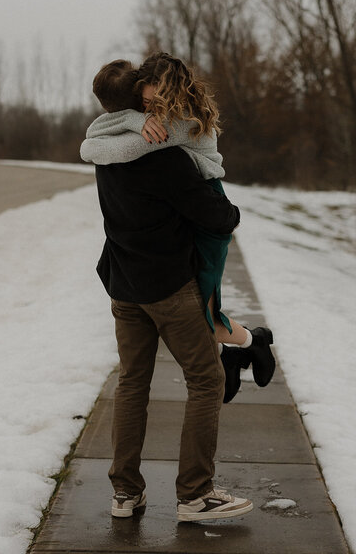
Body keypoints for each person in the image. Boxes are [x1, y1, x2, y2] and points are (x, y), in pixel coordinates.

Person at [80, 56, 254, 522]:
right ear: (140, 99)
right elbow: (216, 217)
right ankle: (195, 495)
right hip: (169, 289)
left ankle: (125, 494)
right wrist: (234, 213)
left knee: (132, 383)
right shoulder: (166, 156)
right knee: (207, 380)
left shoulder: (106, 150)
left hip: (124, 286)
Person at [80, 53, 275, 403]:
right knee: (202, 320)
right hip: (183, 210)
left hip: (207, 206)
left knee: (204, 319)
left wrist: (136, 125)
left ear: (174, 96)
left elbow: (93, 146)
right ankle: (239, 351)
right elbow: (93, 143)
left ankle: (252, 343)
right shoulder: (148, 124)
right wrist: (136, 120)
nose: (149, 111)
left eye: (154, 103)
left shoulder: (183, 125)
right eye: (143, 103)